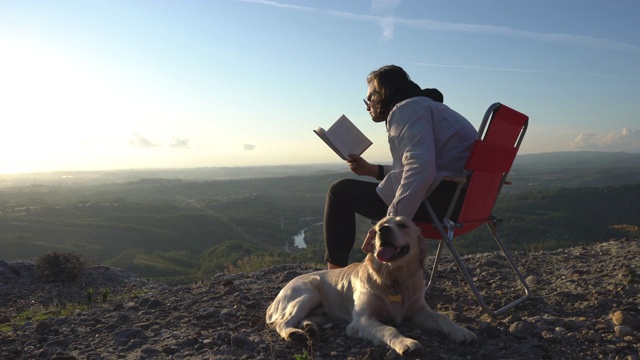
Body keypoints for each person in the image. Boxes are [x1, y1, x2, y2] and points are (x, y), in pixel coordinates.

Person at [323, 65, 478, 269]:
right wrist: (372, 170)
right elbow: (419, 167)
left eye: (370, 98)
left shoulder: (405, 109)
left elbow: (420, 169)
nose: (367, 105)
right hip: (467, 202)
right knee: (343, 190)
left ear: (384, 92)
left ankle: (334, 279)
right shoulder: (426, 107)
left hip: (442, 203)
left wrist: (389, 222)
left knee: (340, 192)